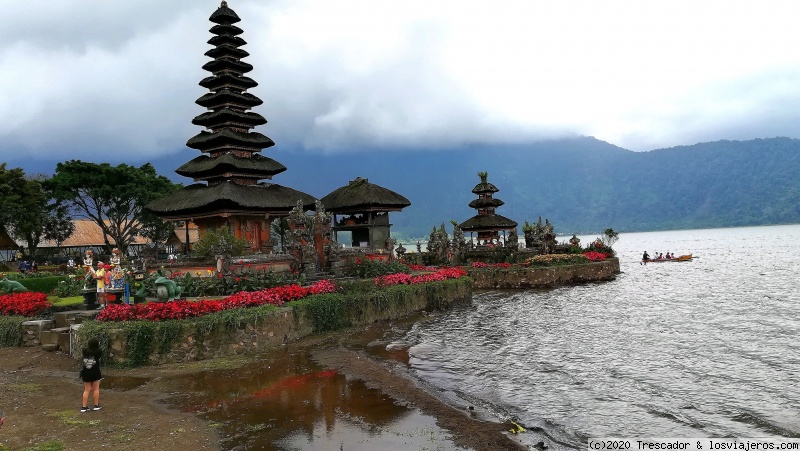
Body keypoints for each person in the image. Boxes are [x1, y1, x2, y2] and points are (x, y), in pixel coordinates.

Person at [80, 338, 103, 412]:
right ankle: (96, 405)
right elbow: (98, 358)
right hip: (95, 372)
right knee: (96, 389)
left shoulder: (85, 351)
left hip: (86, 372)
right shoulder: (98, 352)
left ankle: (84, 407)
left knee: (86, 390)